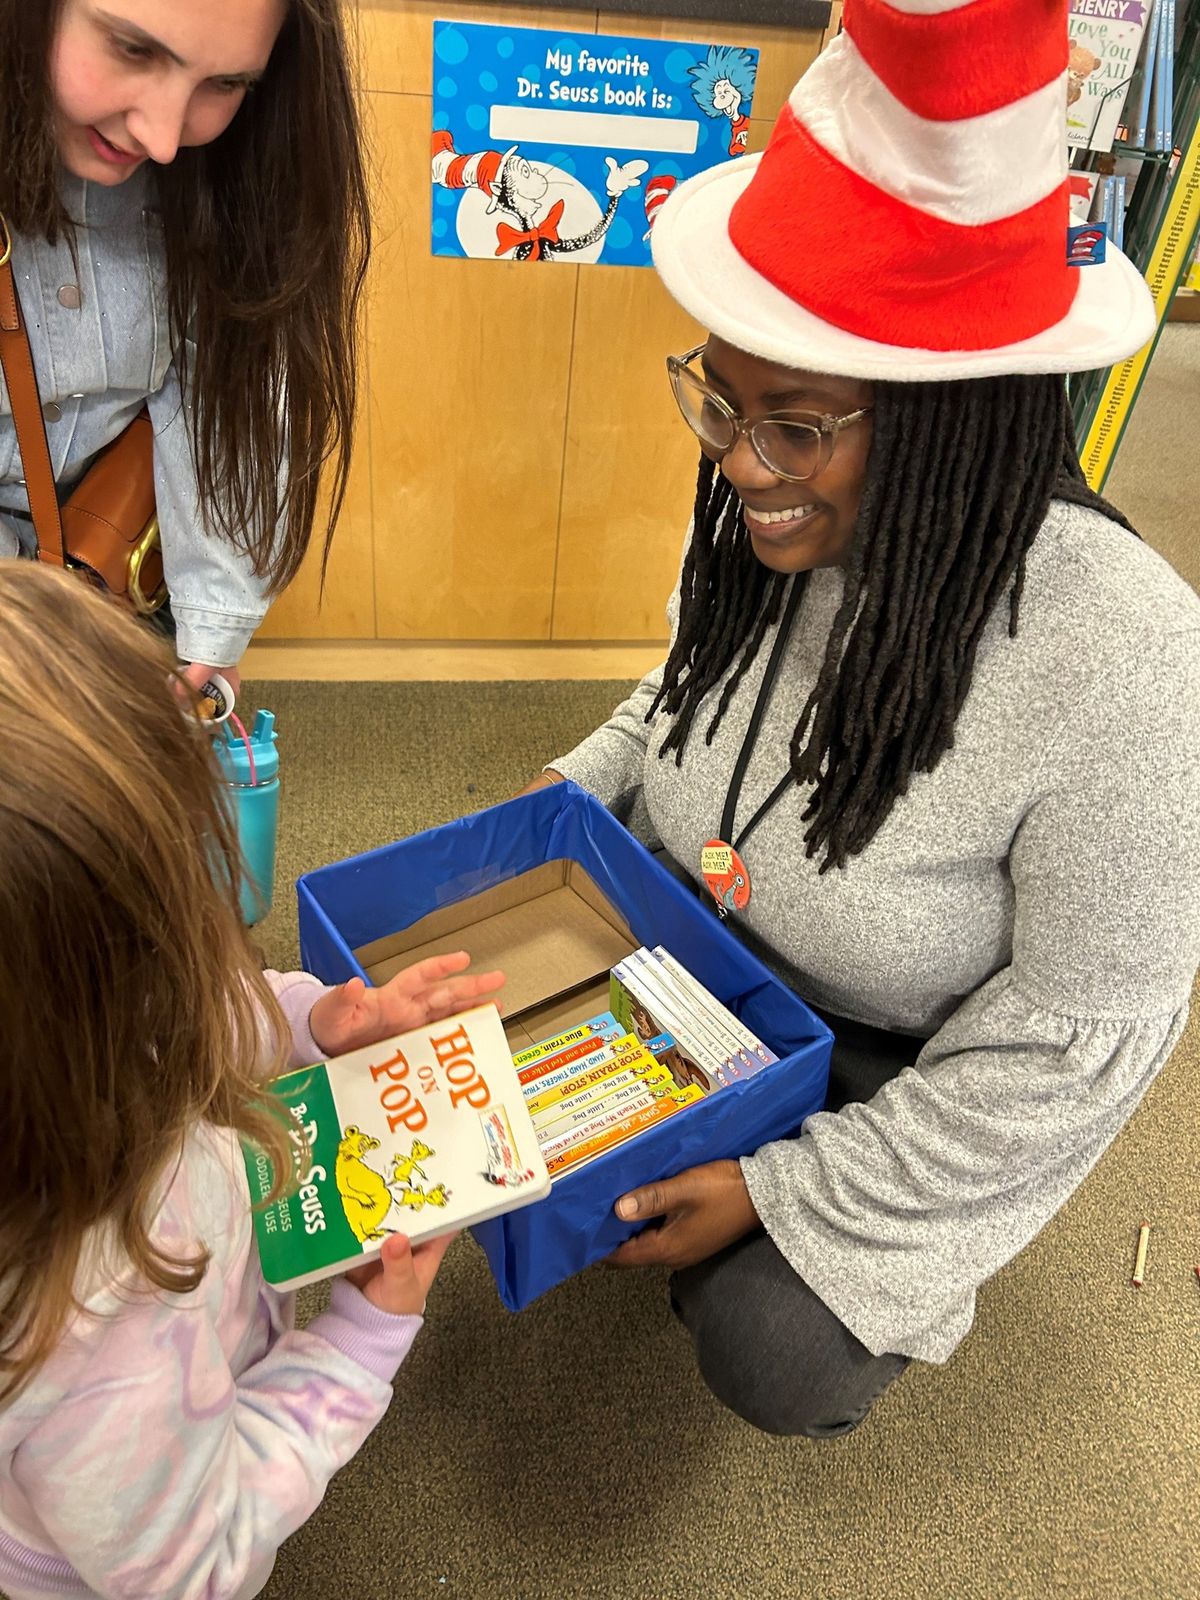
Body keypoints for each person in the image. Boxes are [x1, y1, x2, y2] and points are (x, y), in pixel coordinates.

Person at [530, 0, 1200, 1436]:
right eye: (721, 402)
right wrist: (559, 805)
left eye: (793, 425)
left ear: (953, 422)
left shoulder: (1133, 660)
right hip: (710, 949)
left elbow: (1075, 1046)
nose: (738, 465)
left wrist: (787, 1184)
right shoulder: (769, 512)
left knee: (776, 1349)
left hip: (894, 1053)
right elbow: (677, 696)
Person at [0, 563, 504, 1599]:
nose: (215, 930)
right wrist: (355, 1347)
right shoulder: (105, 1348)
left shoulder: (70, 1043)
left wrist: (315, 1019)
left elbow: (188, 1019)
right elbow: (199, 1559)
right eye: (182, 896)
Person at [0, 0, 370, 695]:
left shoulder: (235, 168)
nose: (165, 140)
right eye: (132, 49)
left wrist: (211, 629)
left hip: (111, 580)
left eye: (227, 83)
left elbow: (231, 388)